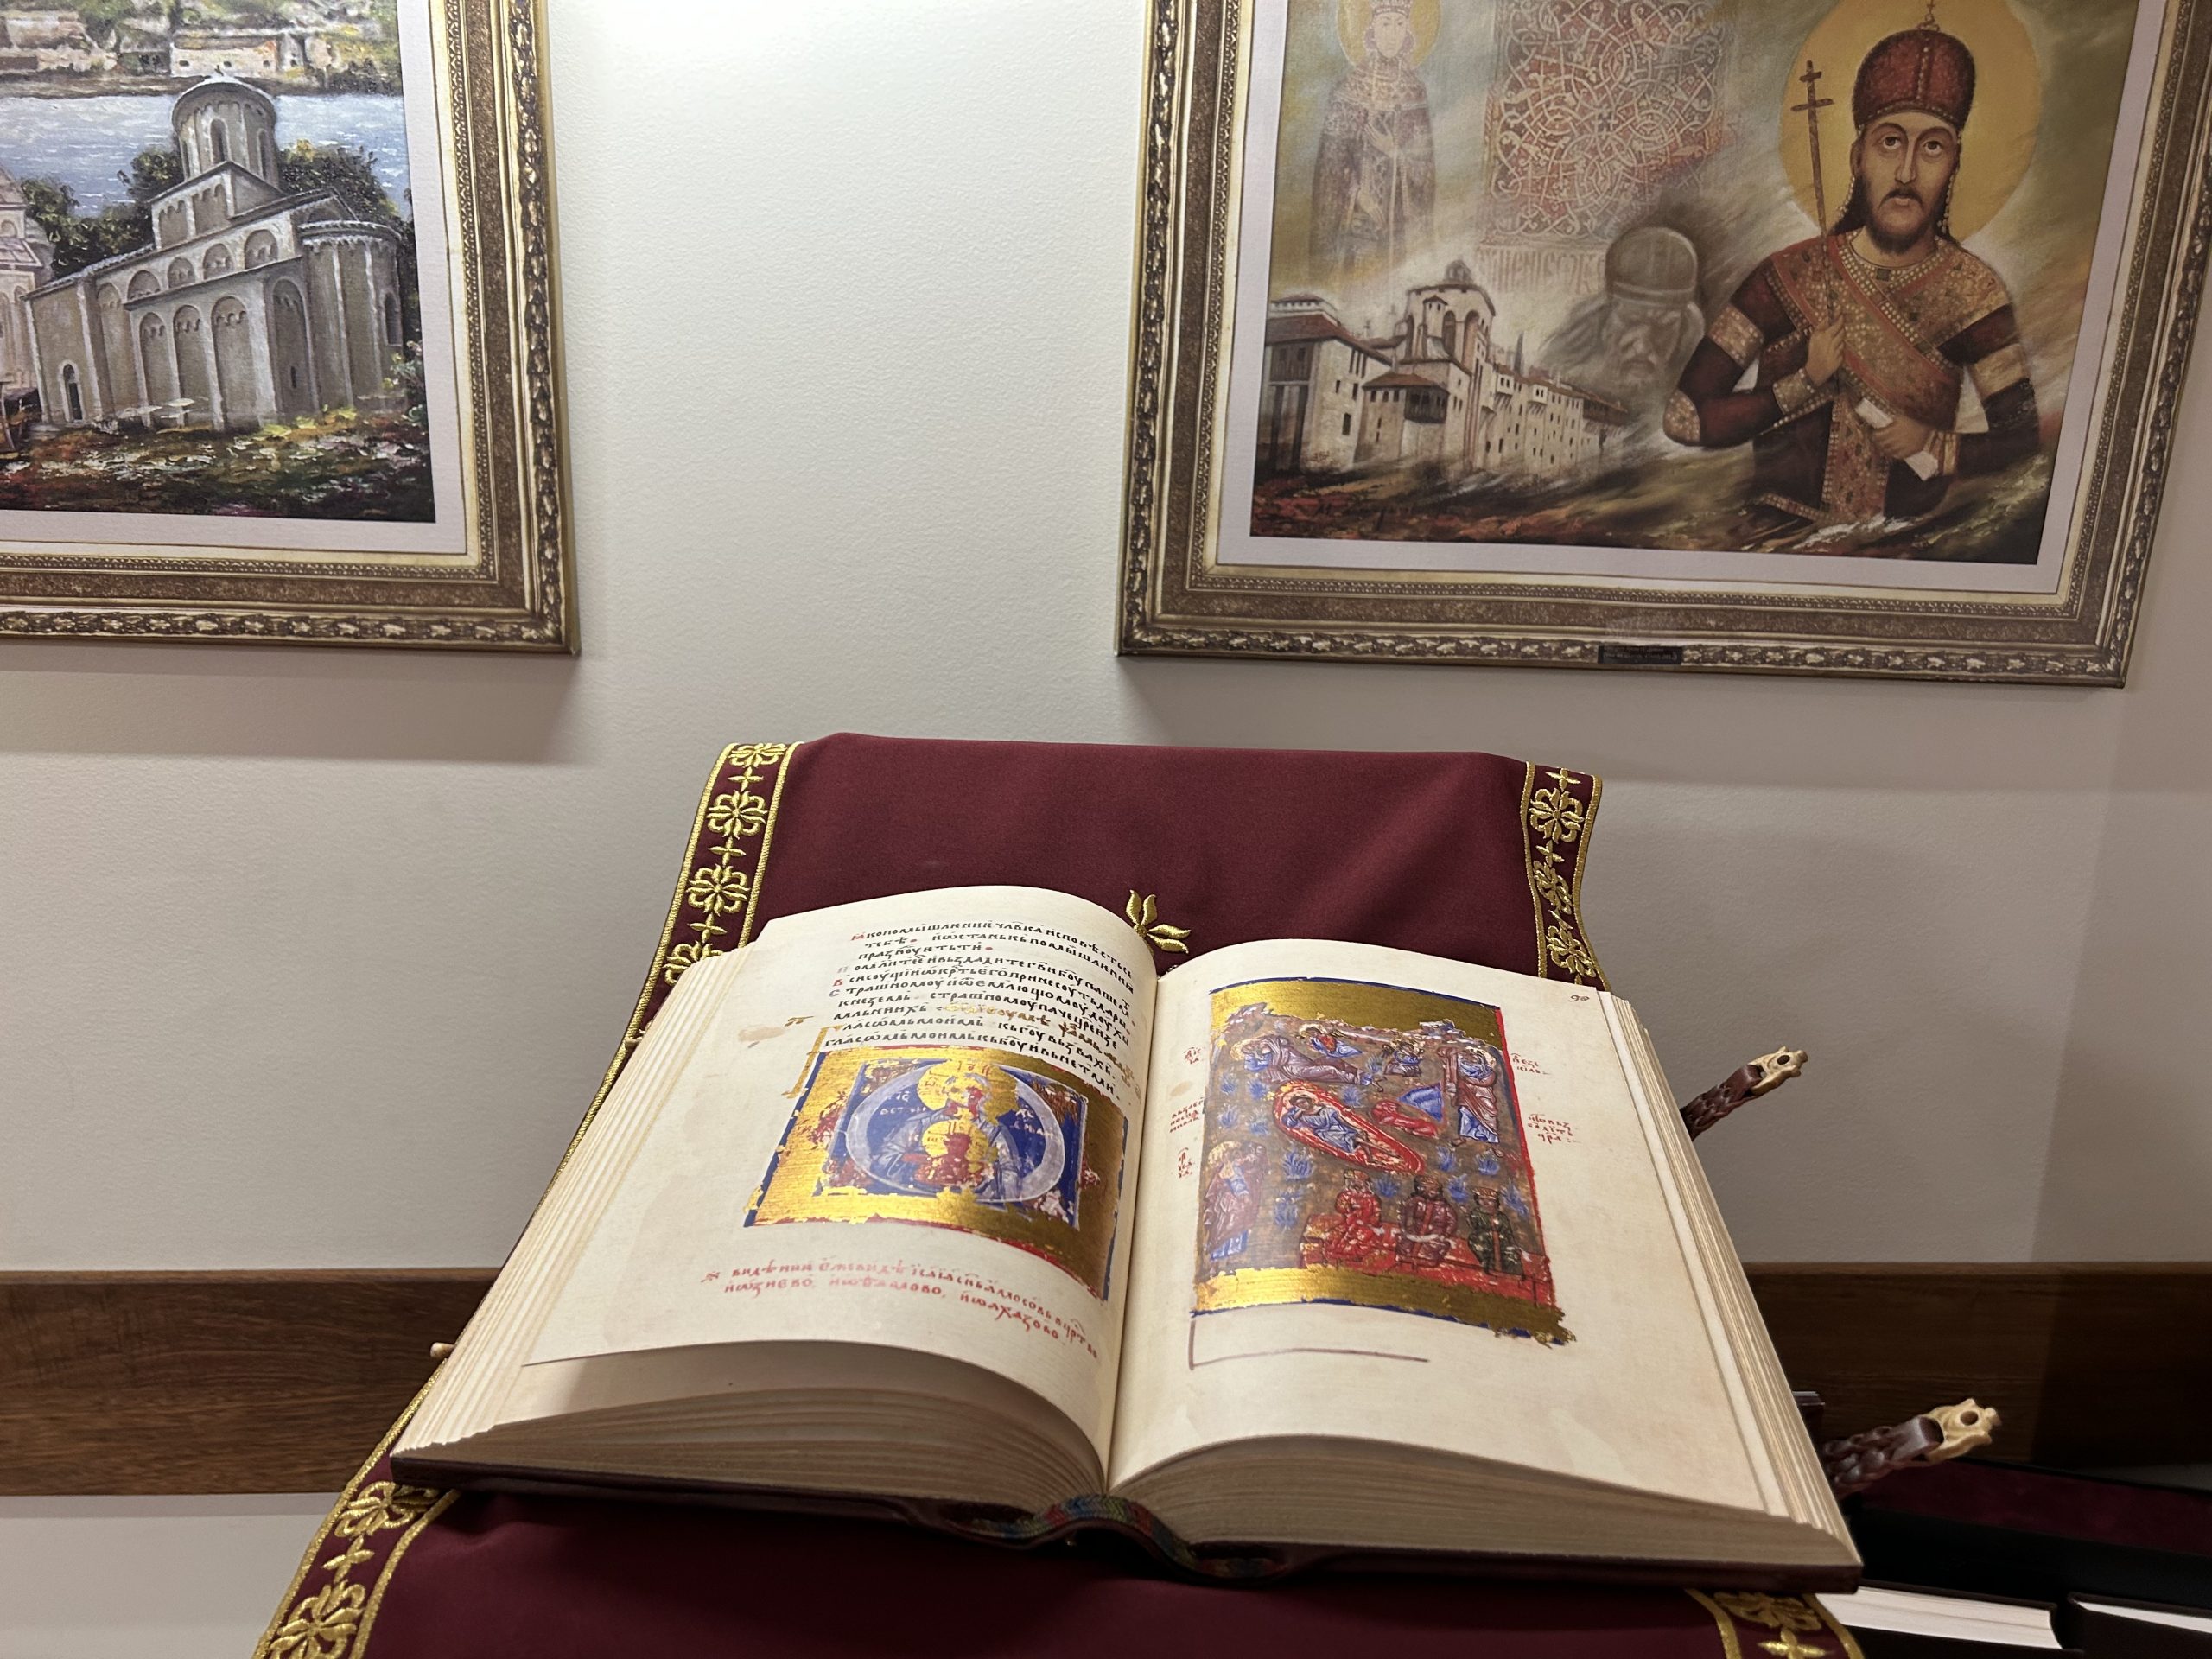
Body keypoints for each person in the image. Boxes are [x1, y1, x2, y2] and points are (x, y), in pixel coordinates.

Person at [1665, 16, 2039, 535]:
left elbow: (2020, 443)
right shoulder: (1785, 278)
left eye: (1932, 147)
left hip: (1906, 550)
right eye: (1890, 143)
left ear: (1954, 163)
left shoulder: (1974, 295)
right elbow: (1684, 417)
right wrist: (1804, 382)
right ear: (1858, 156)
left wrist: (1934, 445)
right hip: (1773, 544)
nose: (1907, 172)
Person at [1311, 0, 1434, 283]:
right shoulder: (1348, 89)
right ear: (1372, 28)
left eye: (1399, 24)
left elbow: (1425, 174)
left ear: (1408, 31)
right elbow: (1330, 170)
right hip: (1356, 225)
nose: (1392, 34)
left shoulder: (1415, 92)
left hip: (1399, 229)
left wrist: (1395, 152)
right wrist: (1357, 195)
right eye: (1385, 24)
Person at [1544, 226, 1707, 419]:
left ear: (1683, 327)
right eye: (1630, 321)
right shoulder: (1563, 368)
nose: (1642, 347)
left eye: (1664, 326)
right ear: (1606, 316)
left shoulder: (1699, 373)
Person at [1396, 1175, 1457, 1269]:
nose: (1432, 1192)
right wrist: (1405, 1228)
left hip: (1433, 1236)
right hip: (1413, 1233)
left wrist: (1445, 1234)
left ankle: (1424, 1262)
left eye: (1434, 1189)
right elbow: (1404, 1215)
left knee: (1434, 1249)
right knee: (1404, 1245)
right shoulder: (1413, 1202)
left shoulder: (1444, 1208)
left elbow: (1452, 1221)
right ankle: (1404, 1260)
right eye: (1428, 1189)